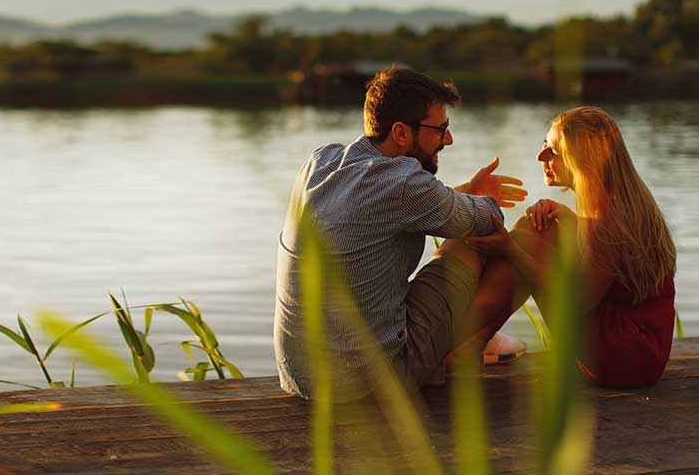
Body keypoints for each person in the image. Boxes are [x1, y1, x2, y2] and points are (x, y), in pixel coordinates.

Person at [274, 67, 528, 401]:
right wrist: (483, 197)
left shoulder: (321, 162)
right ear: (402, 133)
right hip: (368, 385)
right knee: (482, 243)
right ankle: (464, 343)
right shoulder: (403, 181)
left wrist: (463, 192)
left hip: (299, 379)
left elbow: (393, 207)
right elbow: (487, 219)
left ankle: (449, 341)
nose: (448, 139)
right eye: (441, 129)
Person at [448, 106, 678, 388]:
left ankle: (458, 343)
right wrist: (568, 219)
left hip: (624, 356)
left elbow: (578, 301)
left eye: (553, 151)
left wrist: (510, 250)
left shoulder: (606, 213)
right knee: (540, 230)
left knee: (530, 240)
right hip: (639, 352)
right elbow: (606, 262)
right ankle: (468, 342)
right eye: (544, 144)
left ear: (582, 159)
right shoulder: (618, 199)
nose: (541, 156)